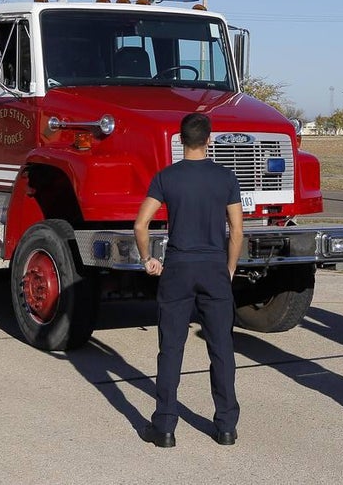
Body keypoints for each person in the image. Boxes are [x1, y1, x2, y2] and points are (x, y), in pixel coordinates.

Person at [133, 112, 245, 448]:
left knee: (171, 349)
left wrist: (147, 259)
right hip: (213, 267)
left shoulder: (166, 177)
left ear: (180, 140)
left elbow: (140, 225)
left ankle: (165, 427)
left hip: (178, 267)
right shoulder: (225, 178)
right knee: (222, 348)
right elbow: (237, 230)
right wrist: (229, 268)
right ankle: (226, 427)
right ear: (209, 139)